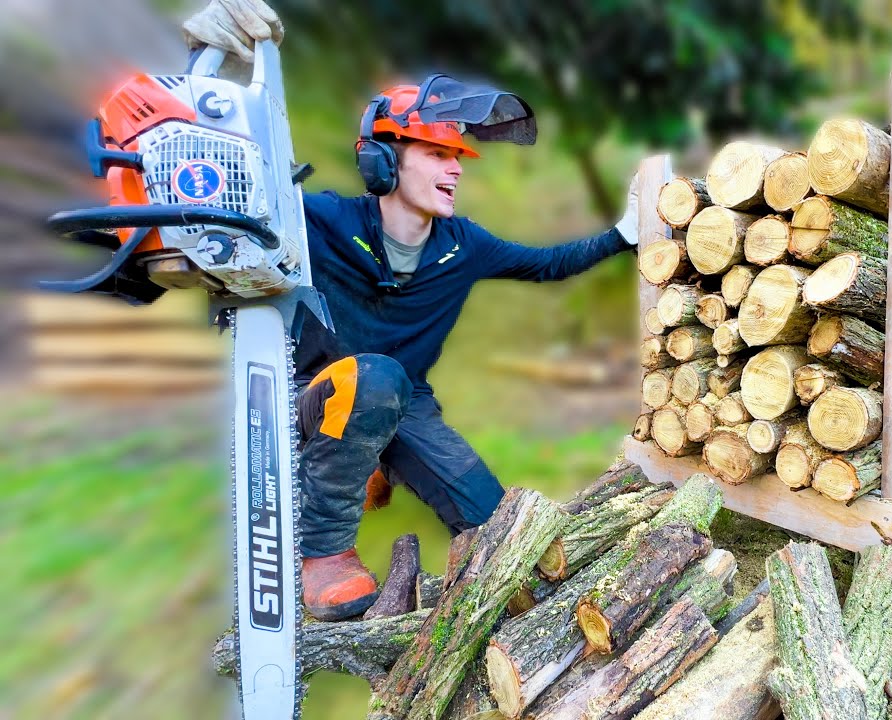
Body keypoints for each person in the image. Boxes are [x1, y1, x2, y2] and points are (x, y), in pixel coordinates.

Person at [184, 0, 640, 620]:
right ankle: (321, 552)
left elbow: (548, 263)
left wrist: (624, 233)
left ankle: (370, 459)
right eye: (436, 154)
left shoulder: (465, 244)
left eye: (457, 158)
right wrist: (208, 69)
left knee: (496, 525)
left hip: (402, 401)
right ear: (383, 160)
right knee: (373, 377)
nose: (454, 169)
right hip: (305, 395)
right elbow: (219, 184)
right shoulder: (316, 220)